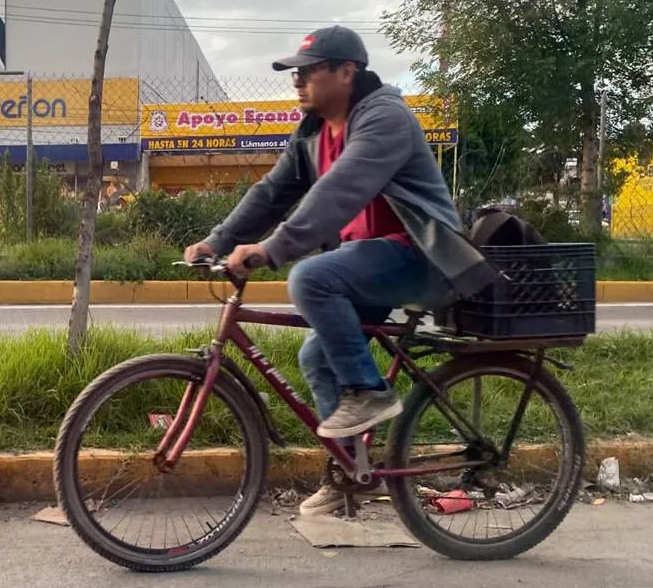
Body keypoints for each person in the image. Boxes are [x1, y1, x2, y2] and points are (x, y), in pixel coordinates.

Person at [183, 26, 494, 516]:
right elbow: (271, 192)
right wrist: (217, 242)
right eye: (295, 73)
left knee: (309, 277)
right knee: (317, 357)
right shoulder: (311, 132)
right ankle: (353, 472)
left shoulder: (383, 118)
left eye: (308, 72)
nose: (297, 82)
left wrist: (273, 248)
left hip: (422, 258)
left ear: (348, 72)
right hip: (371, 263)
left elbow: (341, 191)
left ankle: (370, 392)